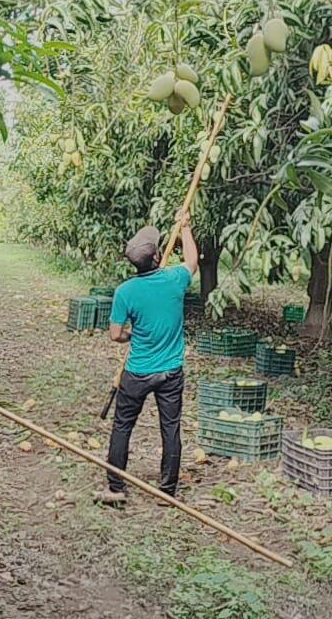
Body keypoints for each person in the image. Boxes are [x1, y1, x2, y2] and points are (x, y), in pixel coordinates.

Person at [97, 208, 198, 505]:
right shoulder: (175, 279)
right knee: (170, 428)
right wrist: (186, 228)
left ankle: (116, 488)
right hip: (171, 372)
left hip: (138, 372)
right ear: (156, 258)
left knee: (123, 426)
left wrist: (134, 335)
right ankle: (167, 492)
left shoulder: (125, 291)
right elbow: (192, 261)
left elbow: (115, 334)